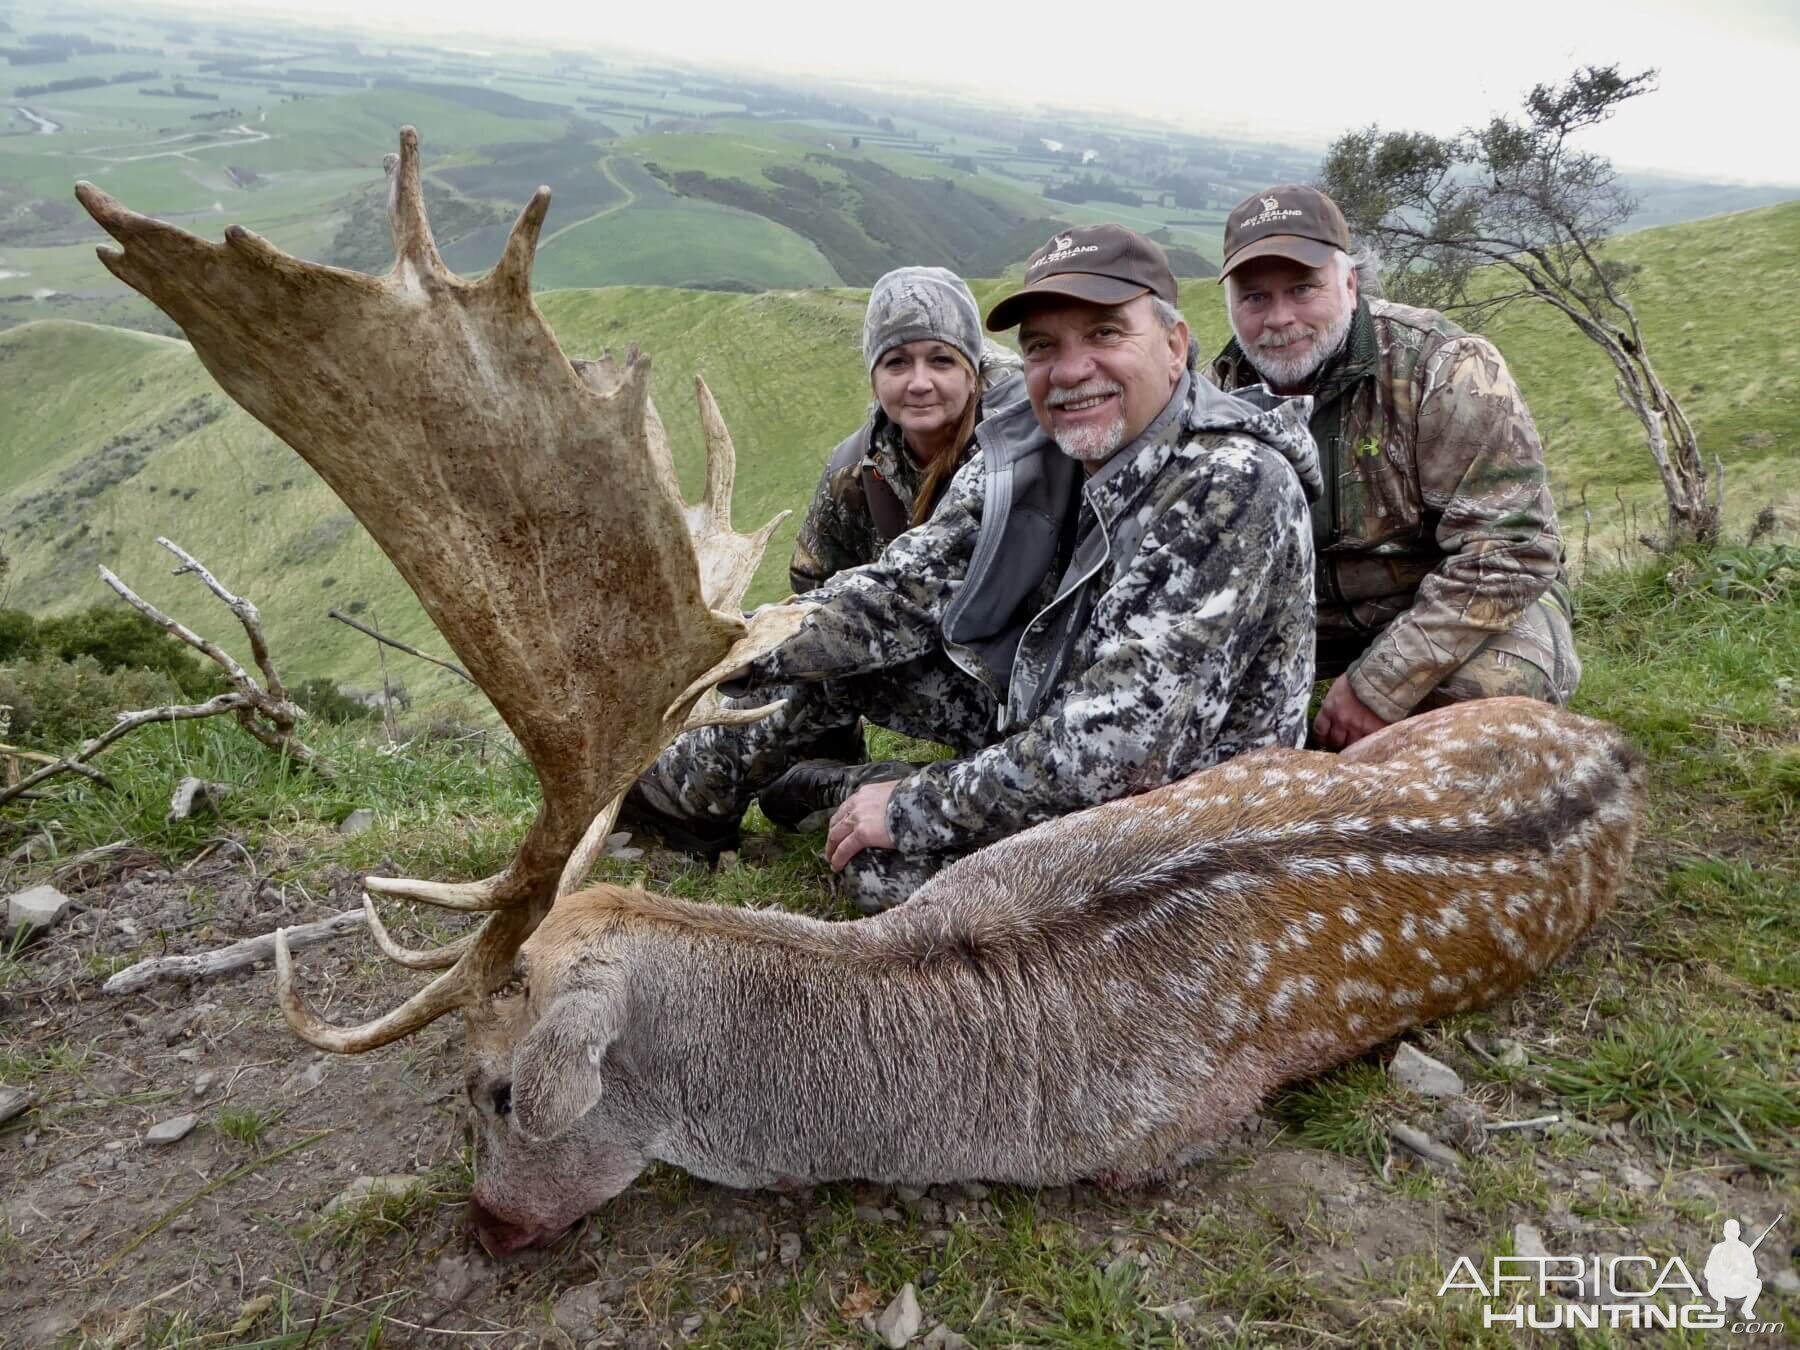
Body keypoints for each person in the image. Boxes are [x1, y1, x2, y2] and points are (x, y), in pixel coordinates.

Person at [628, 224, 1320, 912]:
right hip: (1052, 723)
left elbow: (1117, 750)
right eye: (1045, 346)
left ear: (1174, 347)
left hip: (1177, 829)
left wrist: (909, 807)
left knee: (880, 865)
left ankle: (839, 790)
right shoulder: (1041, 447)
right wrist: (720, 643)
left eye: (1106, 334)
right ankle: (665, 807)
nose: (1073, 370)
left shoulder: (1230, 483)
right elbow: (905, 591)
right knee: (839, 661)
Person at [1205, 185, 1579, 751]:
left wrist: (1381, 684)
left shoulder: (1446, 366)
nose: (1279, 318)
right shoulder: (1217, 397)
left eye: (1304, 289)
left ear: (1349, 282)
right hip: (1303, 622)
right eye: (1255, 298)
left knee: (1487, 697)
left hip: (1448, 606)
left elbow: (1513, 552)